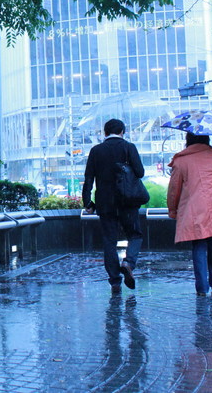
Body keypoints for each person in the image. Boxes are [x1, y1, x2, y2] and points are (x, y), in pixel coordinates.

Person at [167, 133, 212, 296]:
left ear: (188, 140)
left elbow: (174, 190)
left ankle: (201, 287)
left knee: (198, 244)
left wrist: (173, 210)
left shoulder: (181, 161)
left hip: (194, 208)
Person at [82, 118, 145, 293]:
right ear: (123, 131)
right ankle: (128, 262)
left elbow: (88, 178)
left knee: (109, 241)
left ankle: (115, 281)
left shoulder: (96, 150)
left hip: (105, 203)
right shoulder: (128, 147)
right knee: (135, 235)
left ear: (105, 133)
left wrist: (87, 202)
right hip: (128, 201)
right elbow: (140, 172)